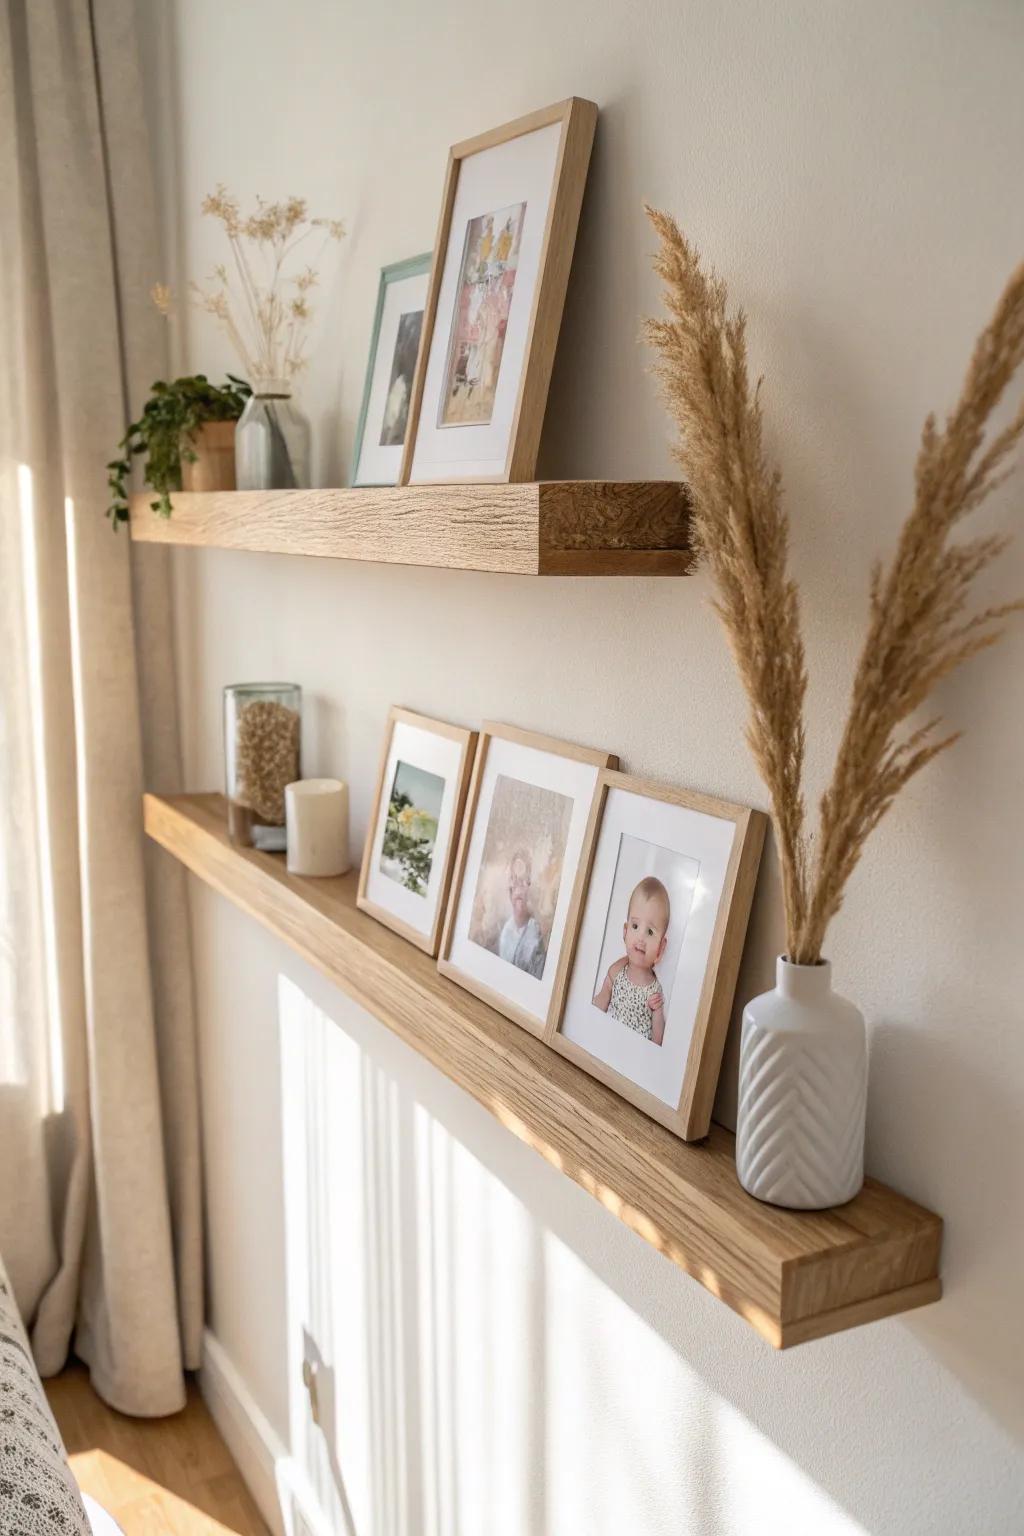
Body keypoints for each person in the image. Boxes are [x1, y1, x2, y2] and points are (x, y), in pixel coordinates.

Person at [593, 876, 670, 1044]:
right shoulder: (616, 972)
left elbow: (657, 1041)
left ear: (661, 948)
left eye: (650, 932)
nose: (641, 937)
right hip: (606, 1041)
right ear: (625, 931)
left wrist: (657, 1012)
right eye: (635, 926)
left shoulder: (654, 992)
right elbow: (599, 1004)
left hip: (634, 1053)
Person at [497, 848, 546, 978]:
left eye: (524, 881)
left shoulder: (536, 933)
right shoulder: (507, 932)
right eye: (515, 880)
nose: (519, 889)